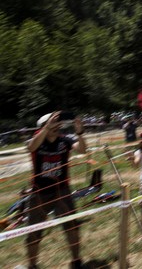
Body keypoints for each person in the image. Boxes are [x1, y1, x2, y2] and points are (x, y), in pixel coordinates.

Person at [26, 111, 87, 269]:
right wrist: (46, 129)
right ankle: (32, 265)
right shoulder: (38, 141)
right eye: (53, 124)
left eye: (58, 124)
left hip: (62, 190)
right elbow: (31, 147)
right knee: (34, 230)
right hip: (39, 192)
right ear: (43, 126)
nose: (57, 126)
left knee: (72, 225)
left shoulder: (65, 140)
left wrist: (79, 133)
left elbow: (82, 150)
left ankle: (76, 261)